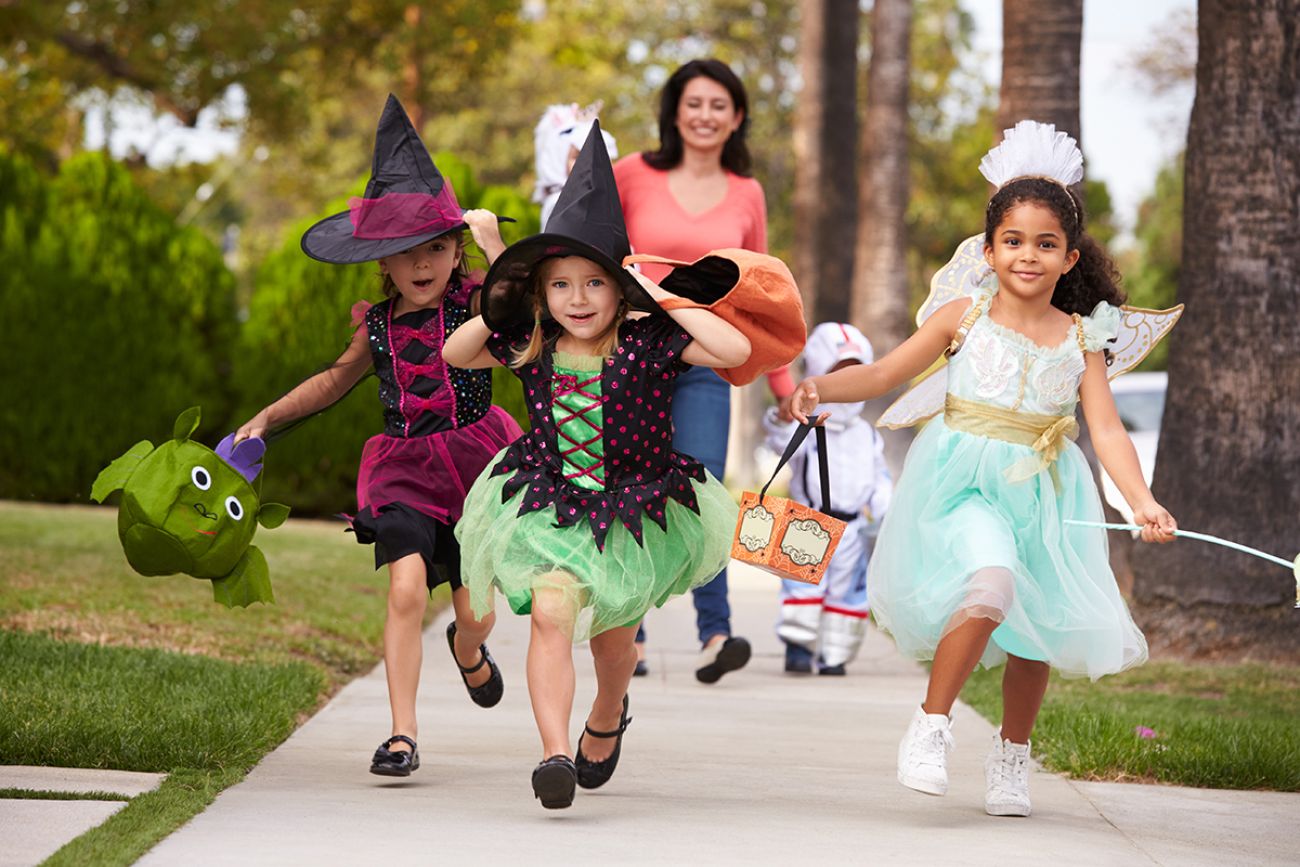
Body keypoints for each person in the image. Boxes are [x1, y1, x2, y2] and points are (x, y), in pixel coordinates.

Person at [789, 120, 1178, 817]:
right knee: (992, 582)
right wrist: (821, 388)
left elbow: (1107, 428)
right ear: (990, 248)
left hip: (1045, 487)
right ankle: (932, 724)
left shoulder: (1085, 335)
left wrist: (1139, 500)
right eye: (1015, 241)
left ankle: (1011, 757)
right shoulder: (963, 318)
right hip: (961, 479)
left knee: (1037, 627)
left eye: (1046, 244)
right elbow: (882, 370)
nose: (1029, 255)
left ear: (1069, 256)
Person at [443, 123, 754, 810]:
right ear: (543, 292)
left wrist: (661, 292)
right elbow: (457, 354)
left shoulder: (651, 343)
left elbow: (733, 350)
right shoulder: (532, 341)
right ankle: (554, 752)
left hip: (633, 512)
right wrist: (506, 289)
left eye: (594, 283)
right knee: (550, 614)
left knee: (615, 646)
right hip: (552, 502)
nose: (577, 298)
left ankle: (609, 711)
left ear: (619, 289)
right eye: (560, 284)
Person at [235, 95, 522, 777]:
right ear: (381, 263)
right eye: (404, 253)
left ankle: (470, 648)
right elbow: (331, 383)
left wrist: (495, 248)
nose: (422, 263)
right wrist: (266, 419)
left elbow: (523, 310)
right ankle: (402, 733)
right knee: (403, 588)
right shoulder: (377, 325)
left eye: (437, 247)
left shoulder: (476, 303)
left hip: (478, 463)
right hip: (403, 471)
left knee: (477, 607)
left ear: (456, 254)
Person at [614, 57, 794, 683]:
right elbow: (592, 251)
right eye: (694, 103)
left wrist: (785, 389)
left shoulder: (747, 193)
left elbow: (763, 292)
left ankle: (715, 633)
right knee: (631, 483)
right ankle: (628, 635)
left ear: (737, 116)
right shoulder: (630, 174)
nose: (705, 116)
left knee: (701, 489)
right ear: (674, 111)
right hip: (631, 355)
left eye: (719, 105)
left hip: (705, 358)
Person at [763, 323, 892, 675]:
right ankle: (799, 648)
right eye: (836, 375)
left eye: (855, 374)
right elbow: (779, 441)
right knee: (802, 589)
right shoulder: (805, 424)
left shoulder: (864, 432)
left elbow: (877, 472)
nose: (845, 383)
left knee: (846, 593)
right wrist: (781, 417)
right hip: (807, 520)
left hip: (852, 524)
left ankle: (836, 654)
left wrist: (883, 505)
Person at [533, 101, 618, 229]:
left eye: (599, 156)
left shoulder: (599, 201)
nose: (589, 163)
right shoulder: (561, 205)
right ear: (559, 159)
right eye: (578, 157)